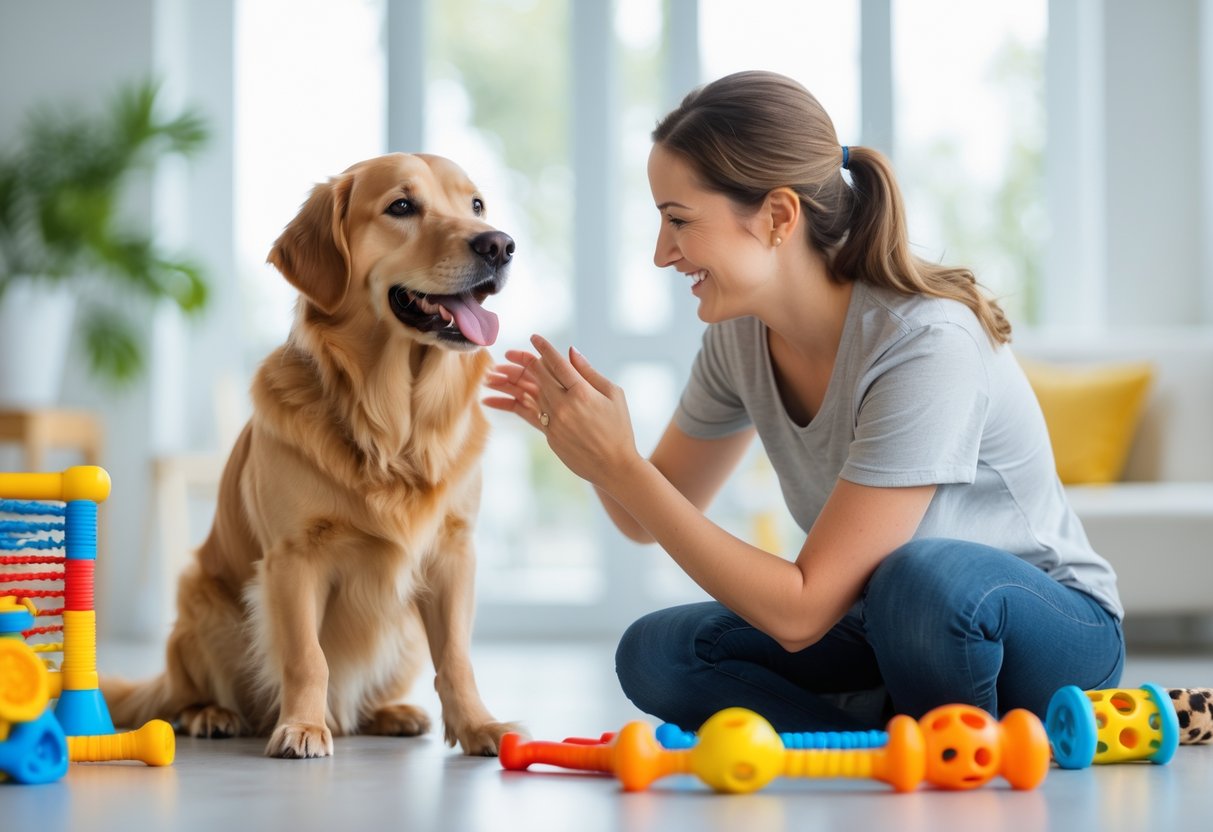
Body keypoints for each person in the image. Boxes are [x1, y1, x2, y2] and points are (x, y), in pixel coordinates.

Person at [483, 70, 1124, 732]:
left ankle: (932, 739)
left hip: (1041, 632)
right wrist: (593, 452)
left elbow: (801, 611)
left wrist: (623, 467)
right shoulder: (738, 336)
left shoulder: (925, 342)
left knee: (918, 581)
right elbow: (646, 515)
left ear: (777, 216)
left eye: (678, 220)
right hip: (886, 625)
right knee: (658, 654)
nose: (661, 253)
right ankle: (875, 741)